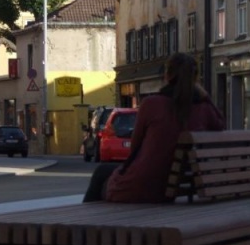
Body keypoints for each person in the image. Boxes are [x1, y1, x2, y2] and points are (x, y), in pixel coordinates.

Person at [83, 52, 225, 203]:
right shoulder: (203, 108)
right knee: (104, 171)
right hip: (174, 186)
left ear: (167, 75)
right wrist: (204, 95)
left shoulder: (152, 104)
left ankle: (82, 225)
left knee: (101, 173)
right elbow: (220, 125)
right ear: (195, 79)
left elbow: (135, 148)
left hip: (141, 186)